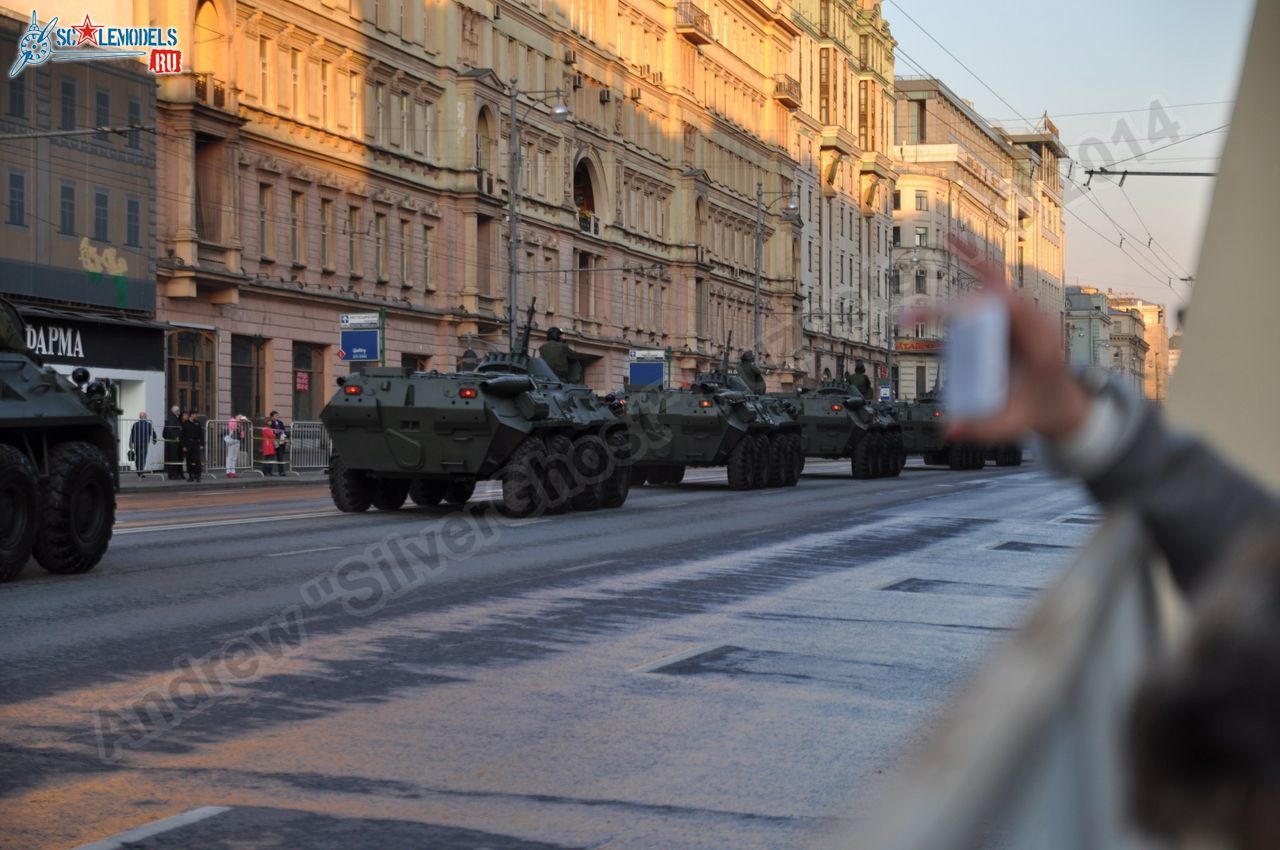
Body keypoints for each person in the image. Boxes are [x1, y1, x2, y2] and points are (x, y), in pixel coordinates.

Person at [128, 412, 157, 477]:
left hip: (137, 443)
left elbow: (132, 434)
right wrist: (154, 440)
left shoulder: (135, 424)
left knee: (138, 457)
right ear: (145, 417)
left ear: (140, 417)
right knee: (143, 458)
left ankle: (139, 471)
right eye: (144, 416)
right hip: (144, 443)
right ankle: (141, 471)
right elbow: (153, 433)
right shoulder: (149, 424)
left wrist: (130, 443)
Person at [179, 409, 204, 482]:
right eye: (195, 414)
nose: (196, 416)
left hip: (195, 443)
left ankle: (198, 475)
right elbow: (182, 436)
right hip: (188, 443)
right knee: (189, 460)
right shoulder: (185, 424)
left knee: (197, 459)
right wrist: (183, 446)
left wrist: (202, 444)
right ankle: (190, 475)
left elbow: (200, 434)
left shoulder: (197, 423)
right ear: (191, 415)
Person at [163, 405, 184, 479]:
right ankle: (173, 475)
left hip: (174, 442)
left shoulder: (175, 418)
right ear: (175, 411)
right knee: (173, 458)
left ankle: (176, 474)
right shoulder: (173, 418)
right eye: (178, 410)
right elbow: (171, 429)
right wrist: (176, 437)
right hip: (173, 442)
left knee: (176, 458)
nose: (179, 412)